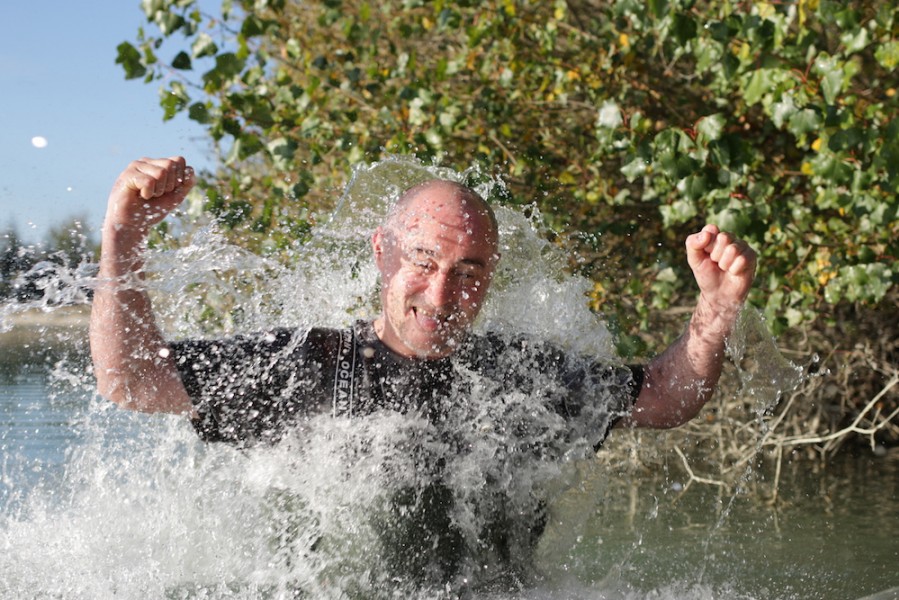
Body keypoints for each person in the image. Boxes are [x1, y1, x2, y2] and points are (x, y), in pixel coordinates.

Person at [89, 155, 756, 588]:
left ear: (491, 273)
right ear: (382, 253)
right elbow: (132, 383)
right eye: (423, 262)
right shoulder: (305, 367)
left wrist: (715, 309)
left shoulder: (520, 376)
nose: (442, 298)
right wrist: (123, 239)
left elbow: (667, 398)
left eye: (468, 272)